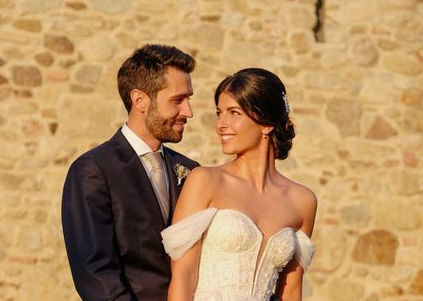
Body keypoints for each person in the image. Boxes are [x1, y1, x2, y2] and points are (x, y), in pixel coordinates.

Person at [161, 68, 317, 301]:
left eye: (234, 113)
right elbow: (184, 275)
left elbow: (292, 291)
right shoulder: (205, 181)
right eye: (219, 113)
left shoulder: (303, 201)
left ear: (266, 123)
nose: (221, 125)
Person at [61, 44, 199, 301]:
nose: (188, 112)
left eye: (188, 99)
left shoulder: (192, 172)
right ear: (140, 100)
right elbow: (95, 274)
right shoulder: (93, 171)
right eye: (178, 100)